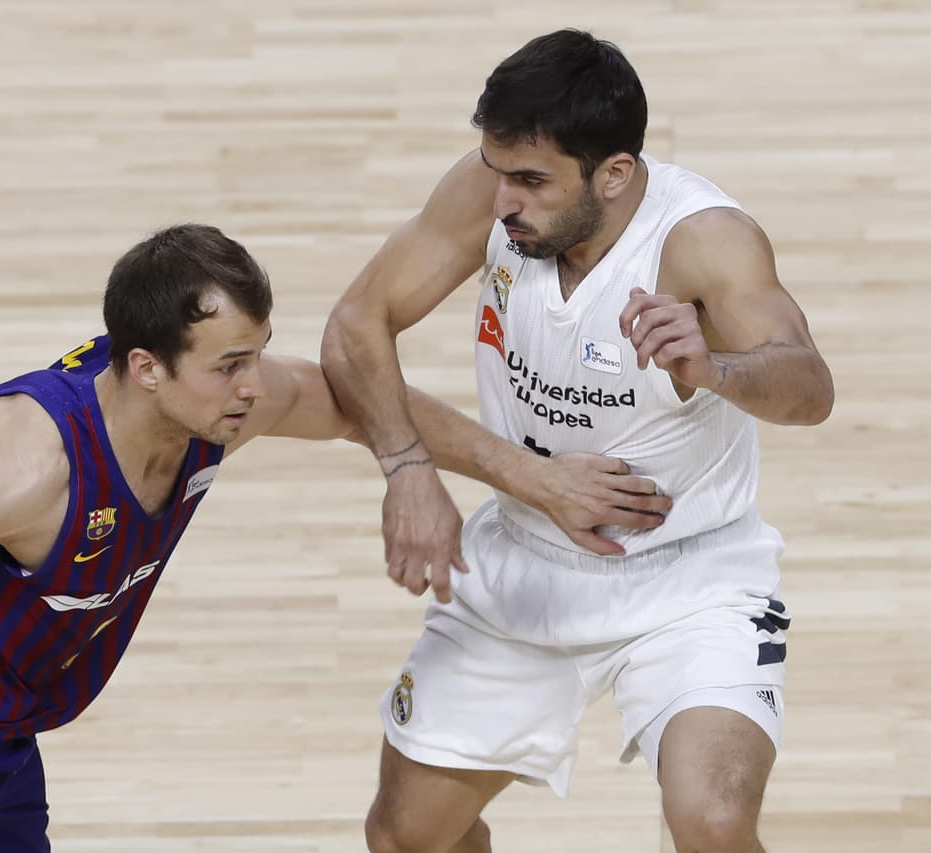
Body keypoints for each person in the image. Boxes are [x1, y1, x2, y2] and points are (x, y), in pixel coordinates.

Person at [0, 222, 534, 852]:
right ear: (145, 366)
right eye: (230, 364)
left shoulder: (215, 405)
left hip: (8, 731)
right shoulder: (18, 468)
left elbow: (367, 406)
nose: (255, 385)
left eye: (257, 354)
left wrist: (537, 480)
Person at [320, 29, 834, 853]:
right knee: (405, 835)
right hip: (523, 562)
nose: (502, 201)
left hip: (691, 578)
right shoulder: (489, 193)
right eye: (495, 170)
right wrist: (412, 470)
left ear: (616, 173)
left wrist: (716, 369)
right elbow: (353, 327)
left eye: (530, 180)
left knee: (713, 820)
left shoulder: (703, 240)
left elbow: (811, 388)